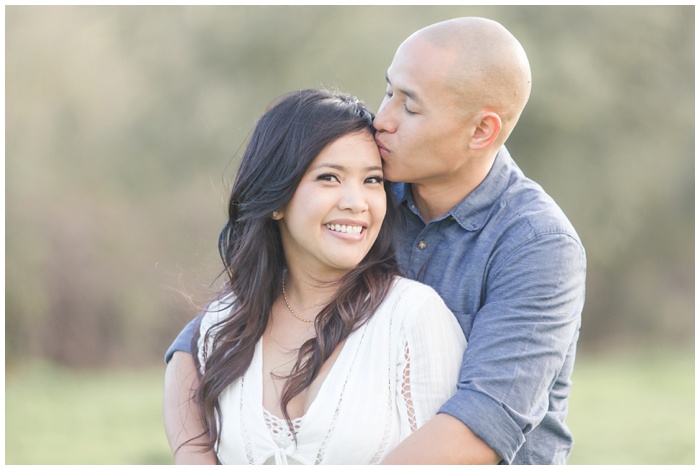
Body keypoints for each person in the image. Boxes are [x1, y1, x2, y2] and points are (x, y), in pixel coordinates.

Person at [164, 17, 586, 465]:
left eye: (410, 107)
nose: (381, 120)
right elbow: (198, 346)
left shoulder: (537, 244)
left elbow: (482, 424)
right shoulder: (370, 194)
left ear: (481, 131)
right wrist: (195, 455)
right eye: (389, 92)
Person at [163, 88, 467, 464]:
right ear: (276, 199)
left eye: (372, 180)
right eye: (329, 177)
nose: (356, 202)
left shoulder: (413, 317)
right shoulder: (220, 327)